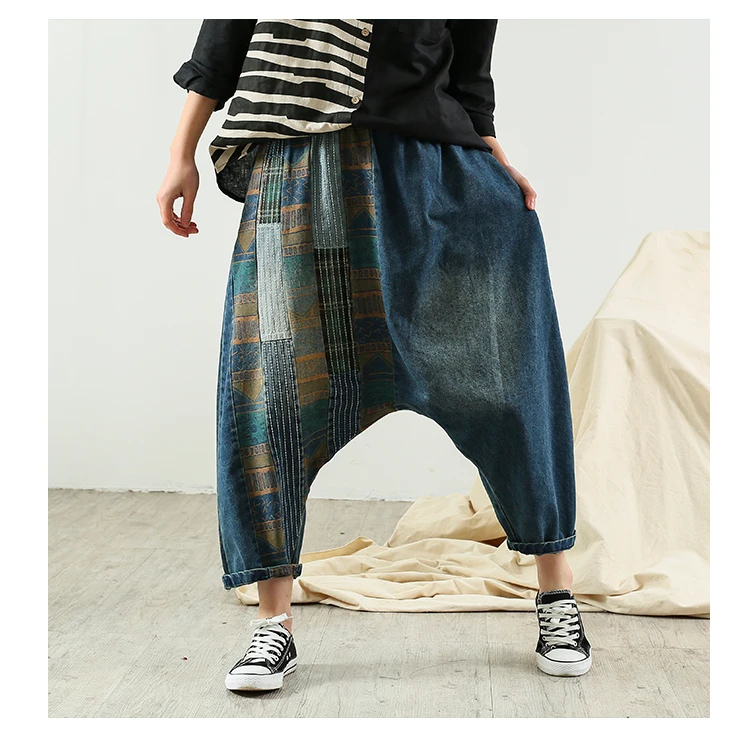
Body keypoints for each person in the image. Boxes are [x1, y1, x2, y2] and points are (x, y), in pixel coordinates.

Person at [157, 19, 592, 692]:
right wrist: (180, 154)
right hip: (296, 180)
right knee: (270, 399)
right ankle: (273, 624)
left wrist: (495, 157)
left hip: (436, 180)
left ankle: (557, 595)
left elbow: (470, 78)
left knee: (512, 386)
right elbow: (221, 44)